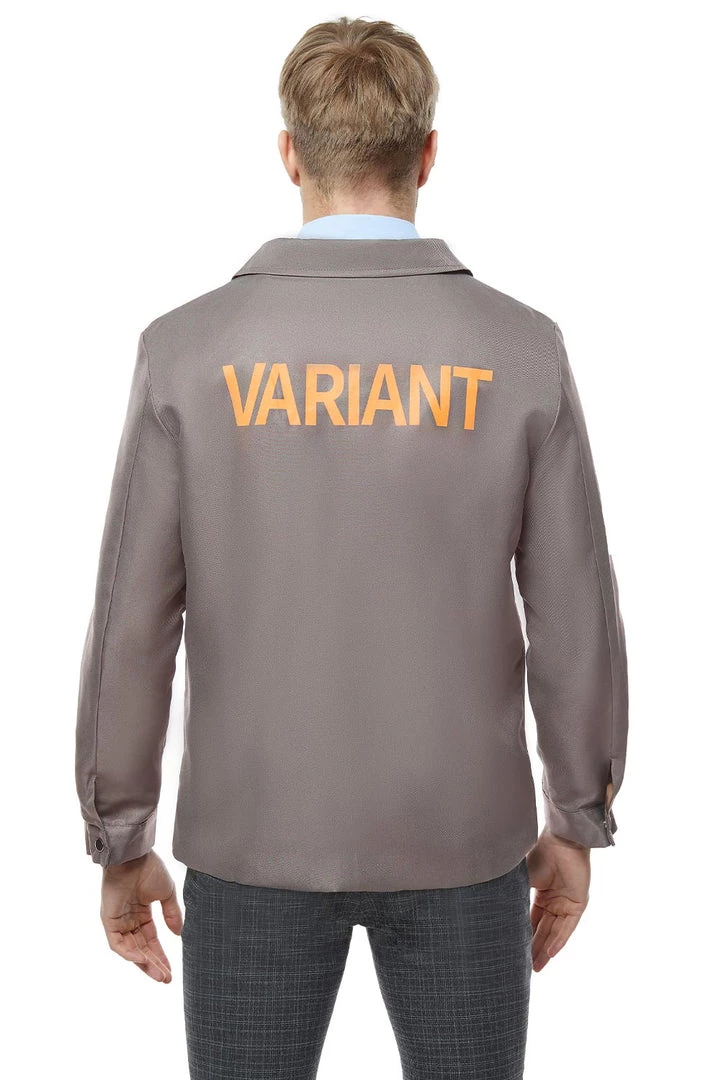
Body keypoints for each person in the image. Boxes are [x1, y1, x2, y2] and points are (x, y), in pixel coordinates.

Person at [75, 15, 628, 1080]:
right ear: (428, 154)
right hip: (465, 840)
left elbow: (131, 624)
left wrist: (120, 839)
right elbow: (575, 611)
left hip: (249, 840)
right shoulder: (519, 350)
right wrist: (577, 817)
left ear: (289, 154)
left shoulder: (186, 351)